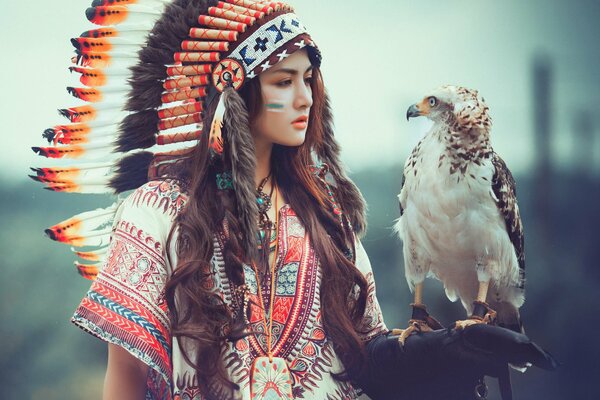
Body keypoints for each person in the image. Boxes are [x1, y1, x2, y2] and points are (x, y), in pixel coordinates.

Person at [31, 1, 554, 399]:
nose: (304, 96)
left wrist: (431, 360)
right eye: (284, 80)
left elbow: (366, 353)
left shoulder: (328, 216)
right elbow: (123, 378)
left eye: (309, 79)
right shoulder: (155, 213)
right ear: (234, 91)